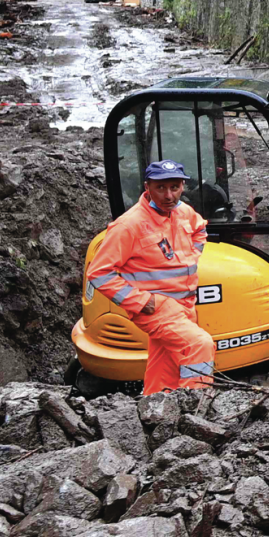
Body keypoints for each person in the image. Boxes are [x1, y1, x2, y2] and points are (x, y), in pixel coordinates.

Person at [85, 160, 215, 394]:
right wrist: (141, 302)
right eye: (160, 188)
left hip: (186, 304)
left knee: (164, 365)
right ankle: (197, 406)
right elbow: (99, 272)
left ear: (182, 186)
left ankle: (155, 407)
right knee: (198, 345)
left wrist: (193, 254)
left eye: (174, 187)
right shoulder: (129, 225)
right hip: (156, 307)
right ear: (148, 187)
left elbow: (200, 229)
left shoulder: (183, 211)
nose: (168, 195)